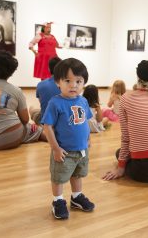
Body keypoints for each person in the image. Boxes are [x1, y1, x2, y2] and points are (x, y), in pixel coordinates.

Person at [42, 58, 95, 220]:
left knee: (77, 174)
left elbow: (86, 121)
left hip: (81, 150)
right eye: (68, 81)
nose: (74, 85)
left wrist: (88, 139)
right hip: (64, 151)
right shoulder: (55, 103)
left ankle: (76, 197)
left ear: (84, 82)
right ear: (58, 82)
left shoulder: (83, 100)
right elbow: (47, 127)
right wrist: (56, 149)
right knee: (59, 177)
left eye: (78, 81)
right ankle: (57, 201)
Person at [29, 57, 62, 125]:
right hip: (62, 122)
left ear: (49, 69)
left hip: (45, 121)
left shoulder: (41, 84)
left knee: (31, 108)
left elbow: (41, 101)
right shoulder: (67, 86)